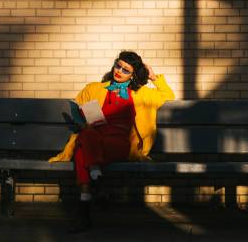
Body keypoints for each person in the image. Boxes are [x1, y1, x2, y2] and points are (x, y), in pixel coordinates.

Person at [49, 51, 175, 232]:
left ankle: (86, 203)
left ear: (133, 75)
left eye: (126, 70)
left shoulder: (140, 94)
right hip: (95, 137)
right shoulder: (94, 88)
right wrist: (83, 120)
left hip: (119, 143)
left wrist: (154, 77)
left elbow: (167, 95)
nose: (119, 71)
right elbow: (79, 107)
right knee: (86, 135)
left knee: (82, 151)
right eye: (118, 65)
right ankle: (95, 179)